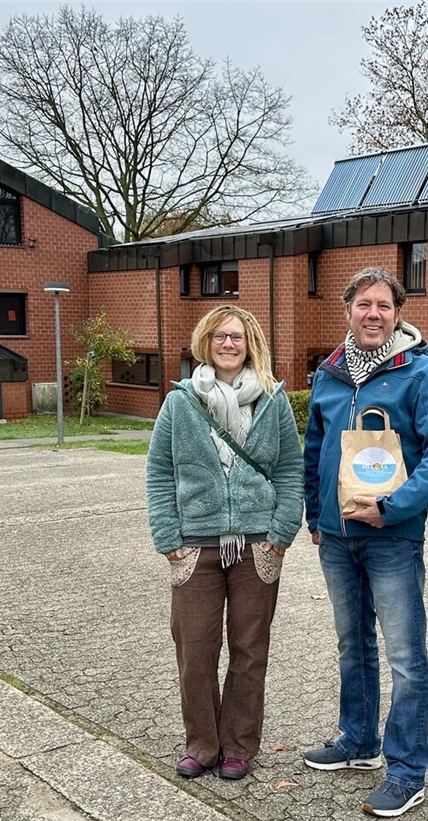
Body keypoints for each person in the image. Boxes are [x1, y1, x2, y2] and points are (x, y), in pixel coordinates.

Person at [302, 266, 428, 817]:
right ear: (347, 310)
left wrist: (392, 508)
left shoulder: (420, 374)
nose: (374, 314)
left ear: (398, 314)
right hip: (337, 536)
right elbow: (313, 447)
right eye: (364, 304)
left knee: (405, 656)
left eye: (384, 306)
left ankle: (408, 769)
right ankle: (358, 740)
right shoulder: (329, 374)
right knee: (353, 646)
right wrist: (313, 513)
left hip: (392, 536)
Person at [146, 305, 303, 781]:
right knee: (195, 650)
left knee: (250, 650)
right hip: (195, 544)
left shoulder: (273, 401)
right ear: (205, 343)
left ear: (250, 342)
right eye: (219, 336)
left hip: (258, 546)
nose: (228, 344)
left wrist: (281, 533)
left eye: (236, 336)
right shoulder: (180, 403)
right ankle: (203, 744)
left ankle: (238, 746)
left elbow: (291, 469)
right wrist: (166, 533)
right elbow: (158, 471)